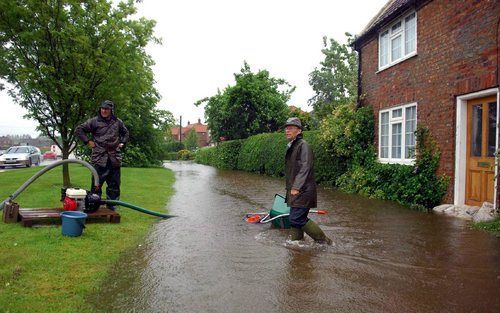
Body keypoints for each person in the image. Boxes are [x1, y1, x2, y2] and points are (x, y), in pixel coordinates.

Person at [284, 117, 332, 244]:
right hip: (296, 190)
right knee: (295, 219)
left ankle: (325, 242)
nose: (287, 131)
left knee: (296, 218)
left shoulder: (303, 145)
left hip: (303, 191)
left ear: (299, 131)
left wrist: (296, 187)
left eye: (291, 128)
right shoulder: (293, 146)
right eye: (286, 128)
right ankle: (296, 244)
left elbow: (306, 166)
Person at [75, 100, 129, 210]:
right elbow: (79, 130)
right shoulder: (94, 121)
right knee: (96, 184)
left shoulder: (118, 122)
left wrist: (122, 142)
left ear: (111, 110)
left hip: (114, 158)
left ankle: (112, 206)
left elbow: (126, 133)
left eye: (106, 109)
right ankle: (94, 205)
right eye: (102, 108)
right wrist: (87, 141)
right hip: (99, 158)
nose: (104, 110)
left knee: (114, 185)